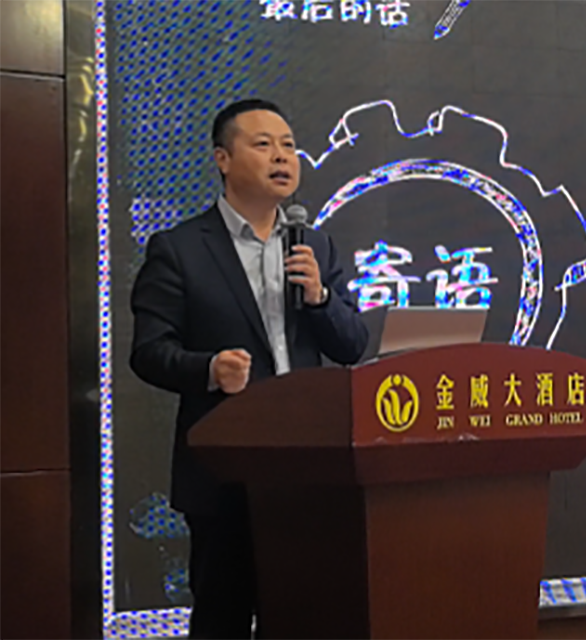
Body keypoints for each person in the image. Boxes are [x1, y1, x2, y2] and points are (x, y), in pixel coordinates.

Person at [129, 98, 369, 639]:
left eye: (289, 146)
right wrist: (209, 369)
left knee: (306, 617)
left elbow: (353, 345)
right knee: (223, 619)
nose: (282, 157)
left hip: (309, 471)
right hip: (224, 470)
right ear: (223, 159)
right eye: (263, 145)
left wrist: (321, 298)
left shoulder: (315, 245)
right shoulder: (180, 249)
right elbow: (148, 351)